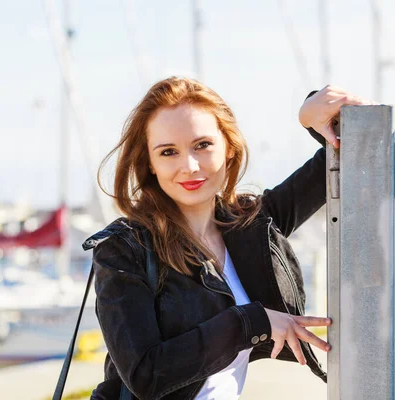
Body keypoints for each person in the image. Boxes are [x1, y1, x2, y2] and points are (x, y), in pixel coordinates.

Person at [82, 77, 372, 400]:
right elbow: (146, 375)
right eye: (168, 152)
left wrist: (310, 117)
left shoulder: (250, 228)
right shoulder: (124, 249)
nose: (189, 166)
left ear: (229, 147)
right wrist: (250, 323)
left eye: (202, 145)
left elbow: (341, 154)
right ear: (150, 163)